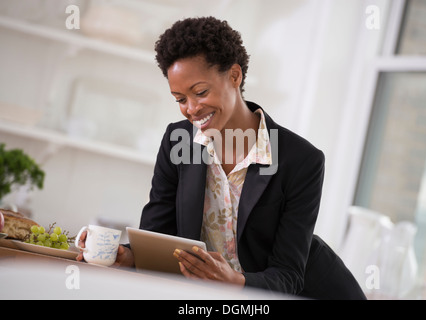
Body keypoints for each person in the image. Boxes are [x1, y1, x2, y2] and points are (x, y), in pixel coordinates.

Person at [77, 16, 365, 299]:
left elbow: (288, 275)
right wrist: (126, 256)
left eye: (200, 92)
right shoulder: (178, 142)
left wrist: (236, 282)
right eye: (179, 99)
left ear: (234, 76)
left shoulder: (301, 160)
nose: (191, 109)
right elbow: (157, 239)